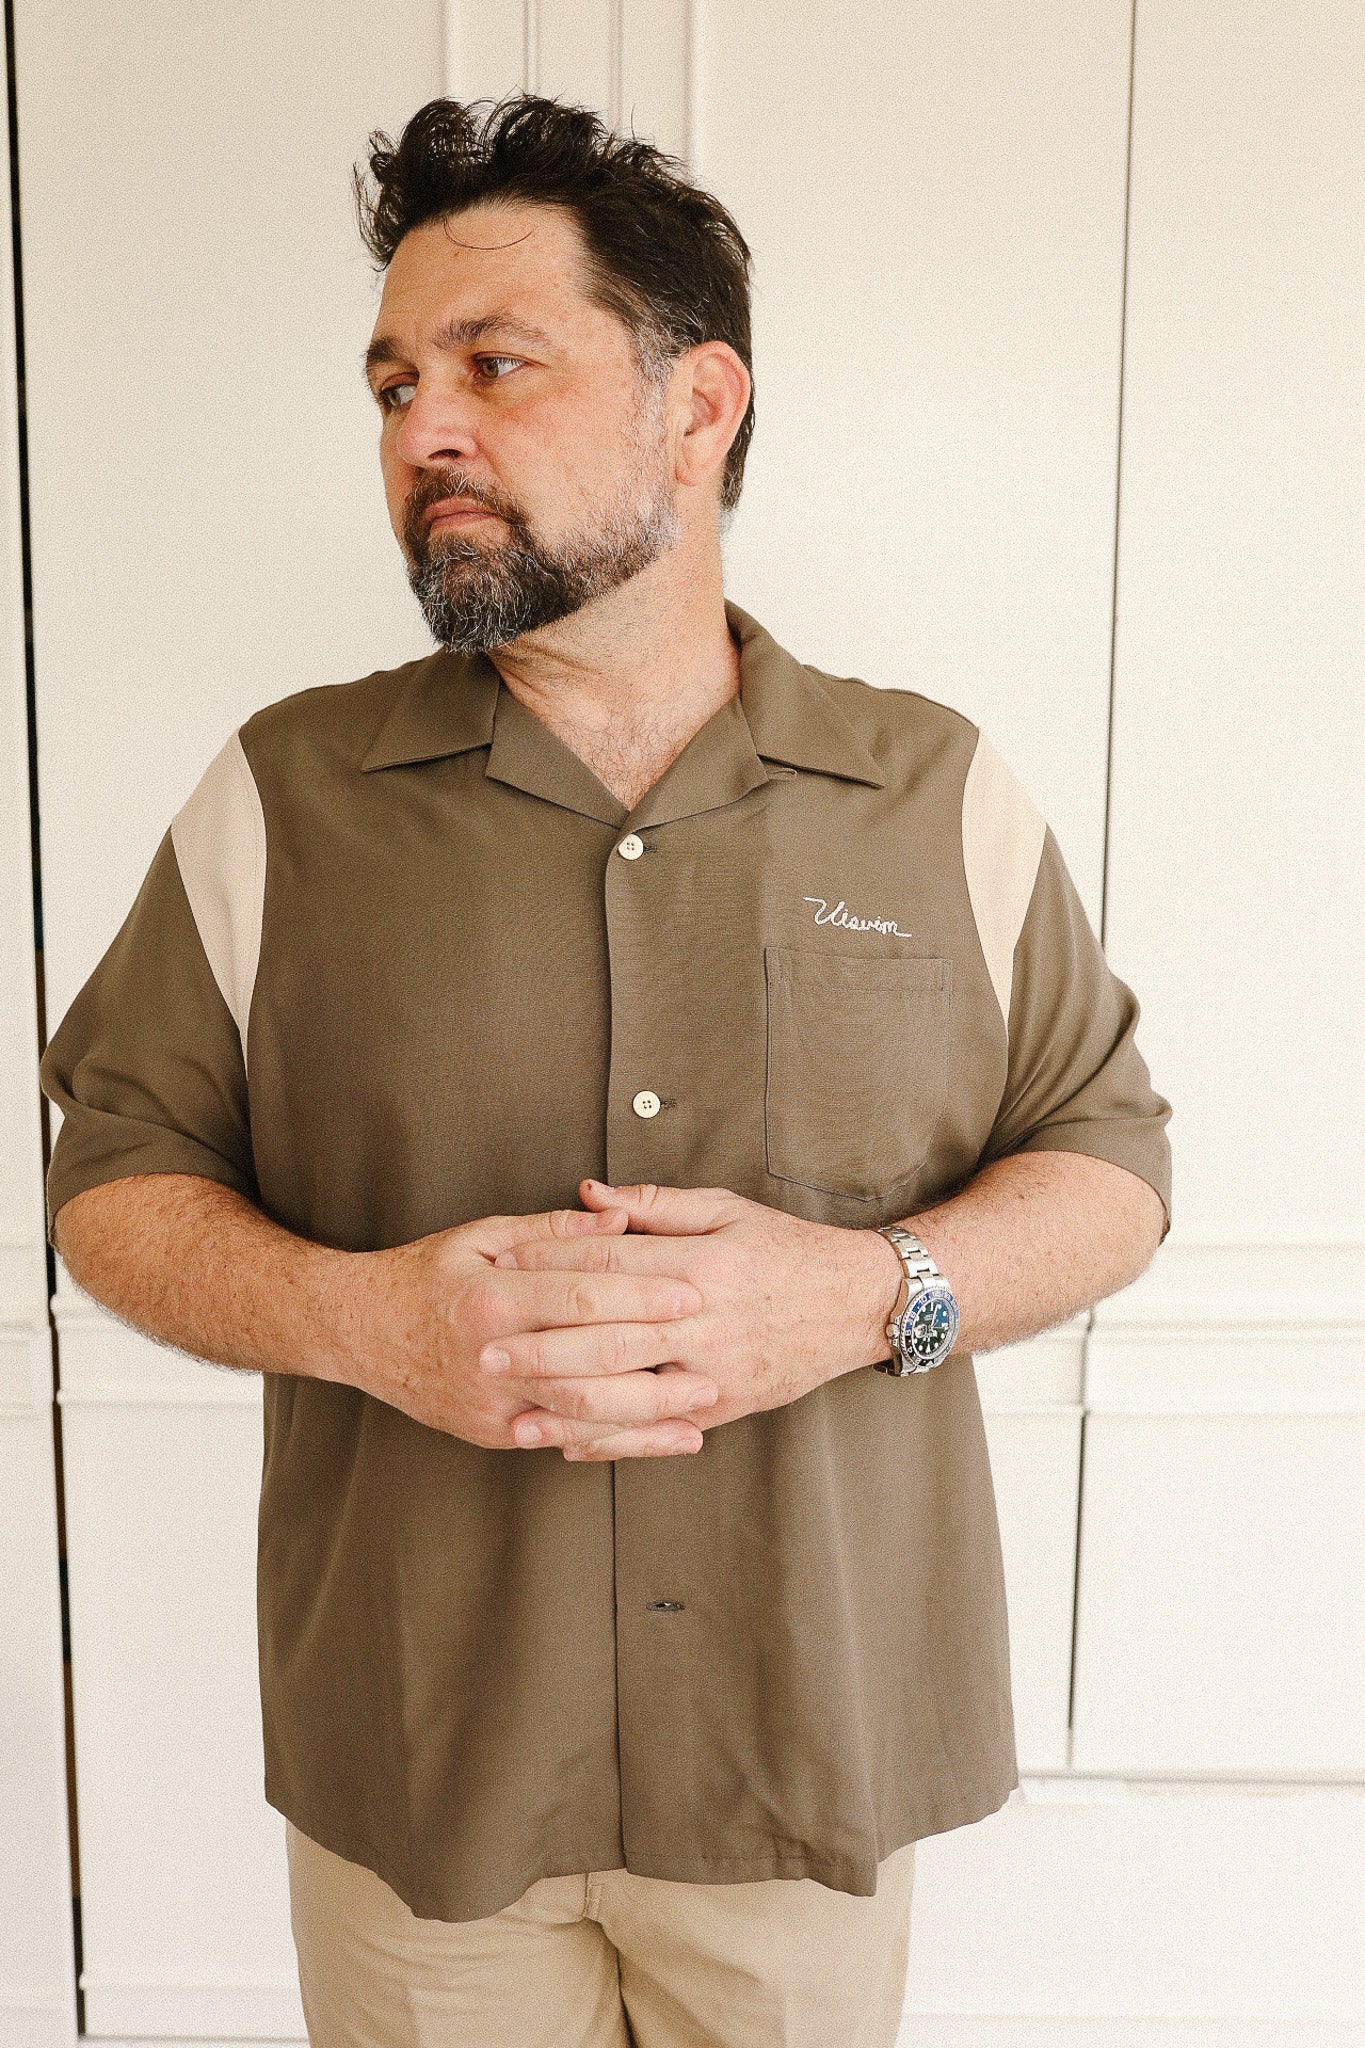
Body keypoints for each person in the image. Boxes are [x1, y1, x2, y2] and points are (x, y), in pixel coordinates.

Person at [39, 93, 1172, 2048]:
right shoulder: (280, 798)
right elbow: (113, 1184)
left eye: (496, 365)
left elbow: (1110, 1167)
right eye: (395, 383)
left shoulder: (934, 795)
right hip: (427, 1788)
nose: (424, 434)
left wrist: (862, 1290)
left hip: (801, 1780)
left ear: (695, 402)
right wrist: (359, 1316)